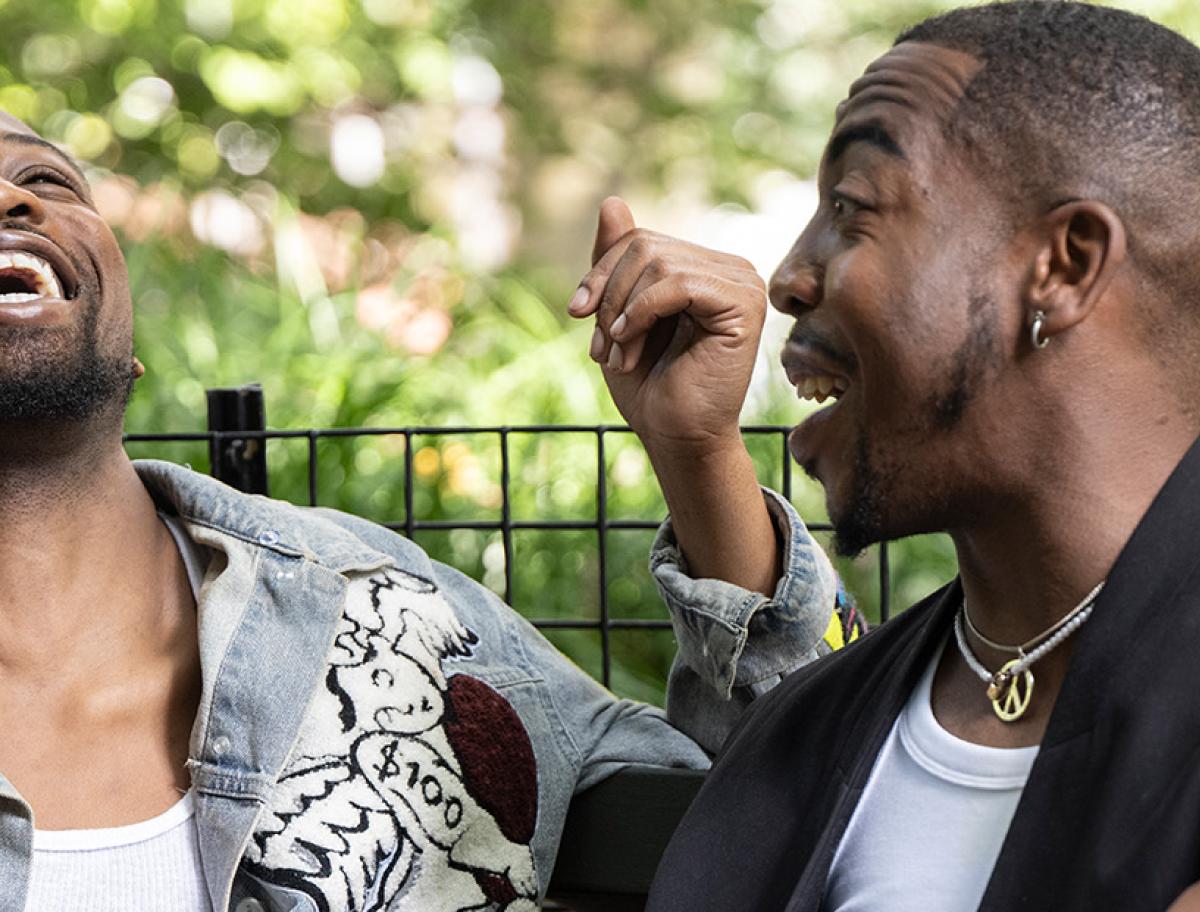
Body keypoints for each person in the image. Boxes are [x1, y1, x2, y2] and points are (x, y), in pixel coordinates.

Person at [0, 112, 841, 911]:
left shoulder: (386, 614)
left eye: (46, 180)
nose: (13, 199)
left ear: (132, 342)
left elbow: (811, 792)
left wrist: (699, 454)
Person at [571, 1, 1200, 909]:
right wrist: (693, 448)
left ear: (1064, 266)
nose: (787, 278)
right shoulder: (821, 727)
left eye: (851, 210)